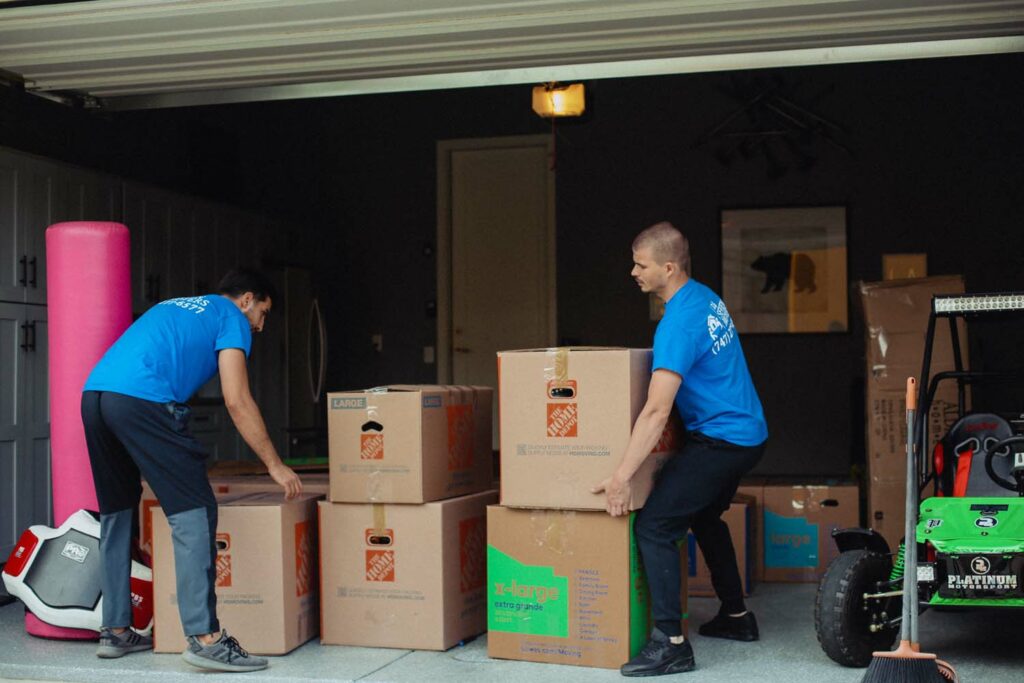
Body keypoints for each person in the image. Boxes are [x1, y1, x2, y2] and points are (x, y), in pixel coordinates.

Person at [81, 267, 302, 672]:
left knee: (117, 511)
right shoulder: (231, 317)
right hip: (142, 397)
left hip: (95, 395)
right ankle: (205, 639)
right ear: (247, 300)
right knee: (195, 509)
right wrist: (275, 464)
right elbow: (237, 399)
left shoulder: (177, 306)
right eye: (264, 313)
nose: (261, 326)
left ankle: (115, 628)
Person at [593, 222, 768, 677]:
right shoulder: (704, 297)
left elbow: (656, 411)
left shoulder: (677, 324)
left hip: (723, 440)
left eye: (641, 265)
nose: (633, 272)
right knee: (705, 516)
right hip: (748, 433)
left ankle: (670, 644)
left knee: (654, 526)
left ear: (668, 268)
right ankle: (736, 616)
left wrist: (621, 477)